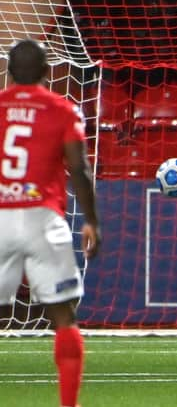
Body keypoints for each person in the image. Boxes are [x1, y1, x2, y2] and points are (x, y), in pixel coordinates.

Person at [0, 39, 100, 407]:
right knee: (62, 314)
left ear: (8, 72)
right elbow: (79, 169)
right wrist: (91, 221)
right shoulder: (62, 109)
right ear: (47, 72)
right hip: (43, 216)